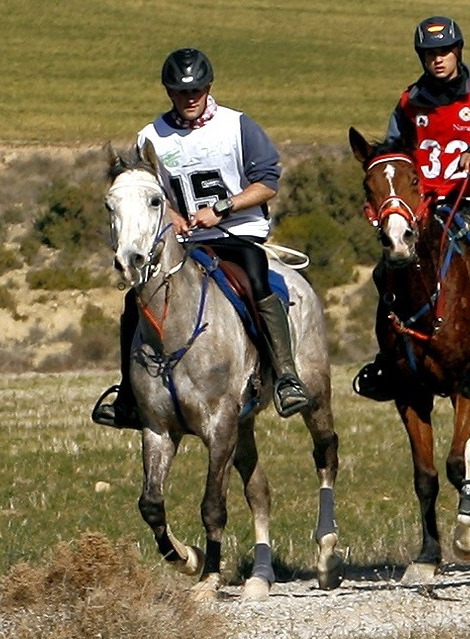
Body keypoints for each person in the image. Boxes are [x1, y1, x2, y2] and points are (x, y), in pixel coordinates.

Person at [93, 48, 310, 427]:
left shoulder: (237, 126)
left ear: (208, 88)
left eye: (196, 90)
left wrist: (223, 208)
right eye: (181, 91)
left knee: (256, 279)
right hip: (183, 241)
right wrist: (172, 215)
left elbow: (267, 184)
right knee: (135, 299)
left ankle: (286, 376)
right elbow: (147, 192)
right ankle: (128, 395)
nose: (189, 98)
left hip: (236, 233)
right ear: (169, 92)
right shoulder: (151, 137)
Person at [353, 14, 470, 401]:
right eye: (430, 53)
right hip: (424, 208)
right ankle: (389, 361)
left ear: (458, 52)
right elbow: (393, 150)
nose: (438, 59)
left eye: (445, 51)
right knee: (386, 272)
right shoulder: (409, 102)